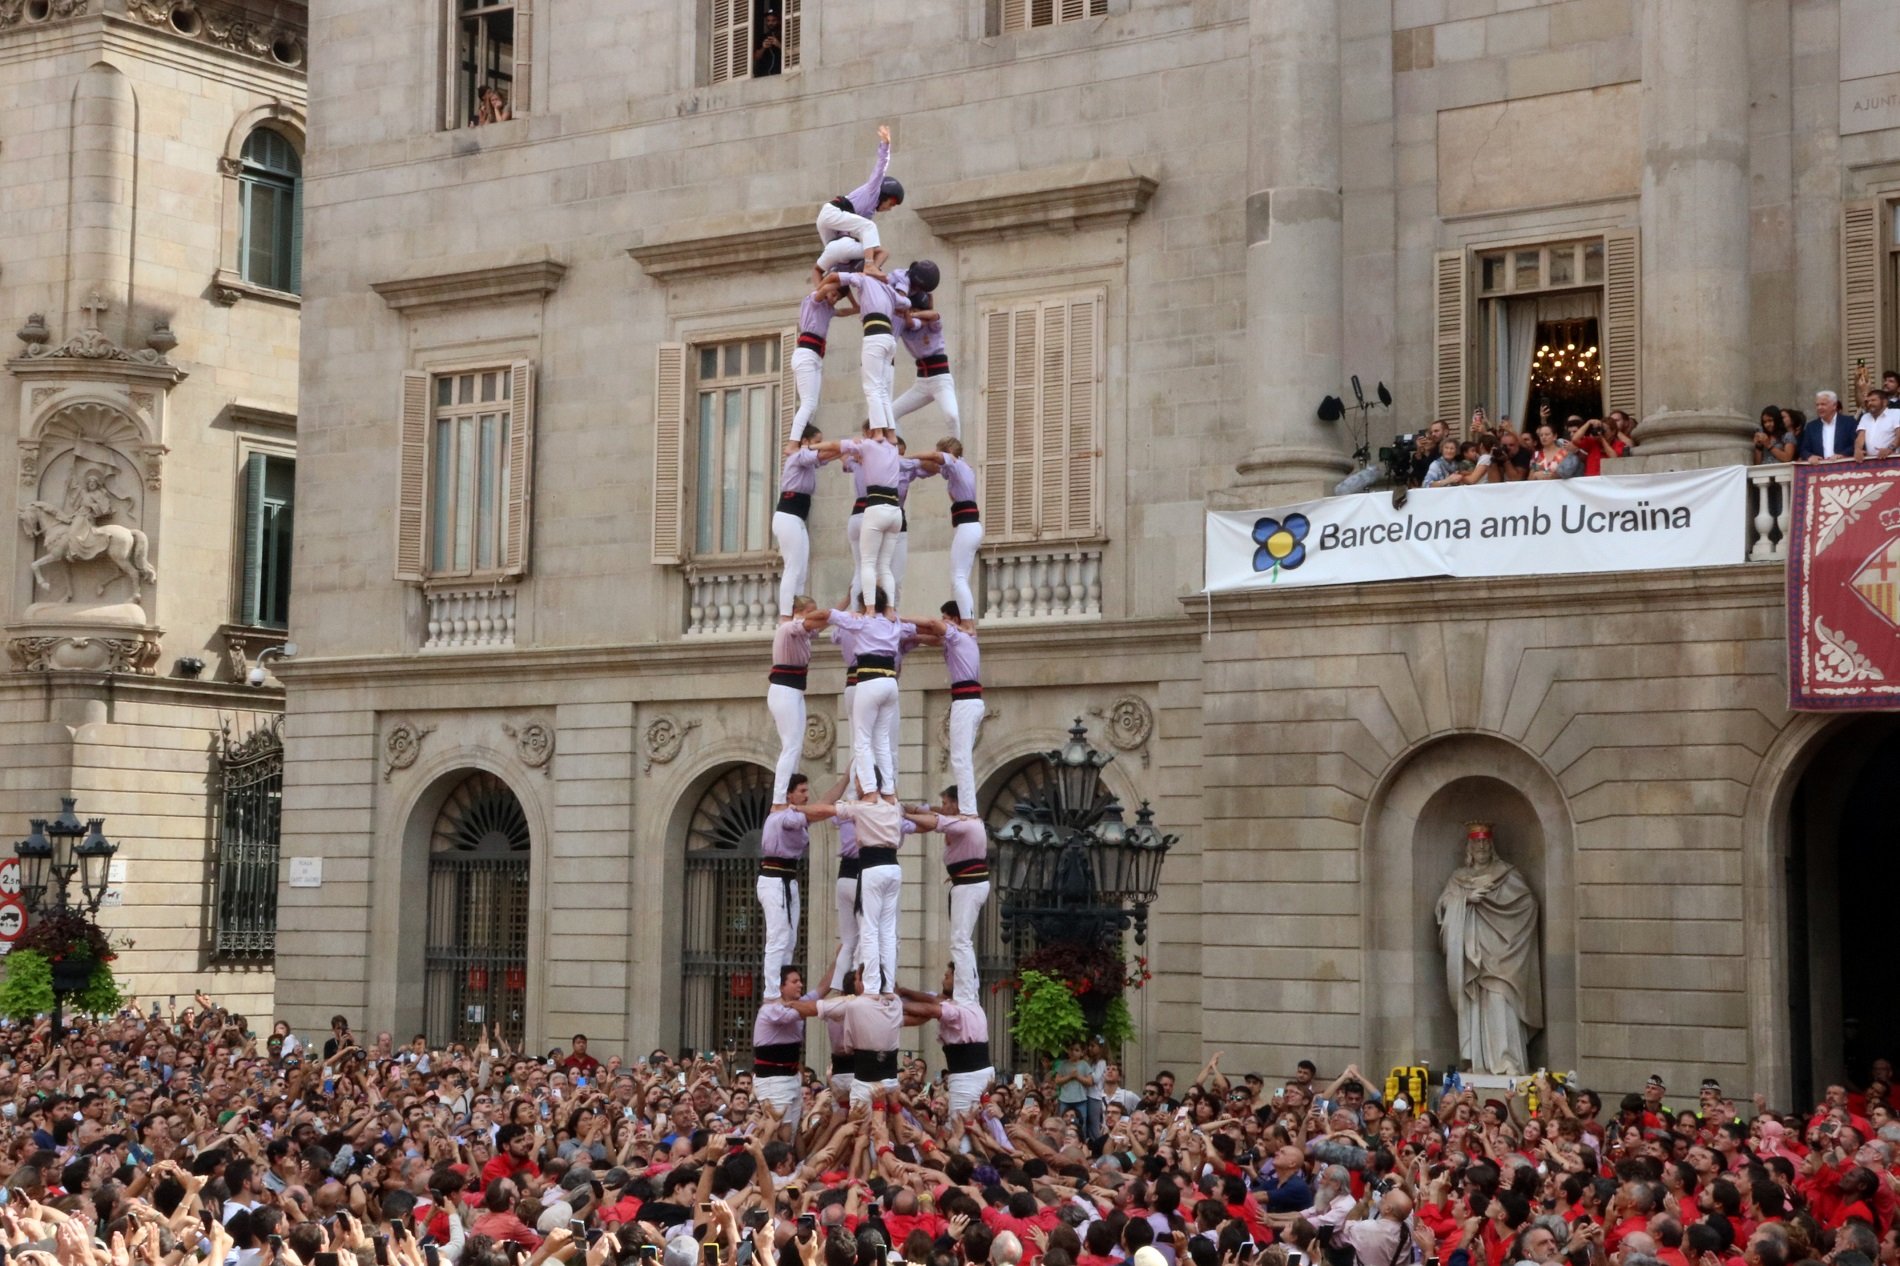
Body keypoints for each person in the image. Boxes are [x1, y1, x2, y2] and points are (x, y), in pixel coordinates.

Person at [807, 593, 915, 798]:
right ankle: (889, 791)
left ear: (865, 604)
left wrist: (805, 620)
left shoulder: (860, 622)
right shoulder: (895, 623)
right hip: (891, 683)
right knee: (882, 740)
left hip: (868, 681)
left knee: (862, 739)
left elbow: (827, 615)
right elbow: (915, 629)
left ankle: (870, 789)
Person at [904, 782, 989, 1003]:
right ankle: (968, 987)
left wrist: (904, 815)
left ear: (957, 805)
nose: (942, 807)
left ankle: (967, 990)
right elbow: (937, 812)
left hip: (969, 886)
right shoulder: (960, 820)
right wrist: (916, 808)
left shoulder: (965, 823)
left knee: (960, 941)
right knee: (961, 940)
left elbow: (936, 821)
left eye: (945, 803)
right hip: (965, 884)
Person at [757, 774, 839, 985]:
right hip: (774, 879)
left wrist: (845, 780)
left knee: (789, 938)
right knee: (778, 936)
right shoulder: (784, 816)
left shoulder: (795, 814)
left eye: (806, 791)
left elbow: (820, 806)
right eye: (801, 791)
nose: (806, 795)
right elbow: (820, 811)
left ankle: (783, 983)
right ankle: (773, 989)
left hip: (788, 879)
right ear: (788, 795)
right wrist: (845, 809)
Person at [897, 963, 994, 1118]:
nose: (943, 980)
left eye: (947, 976)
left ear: (959, 980)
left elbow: (931, 1008)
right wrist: (904, 993)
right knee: (976, 1119)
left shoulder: (958, 1008)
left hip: (968, 1075)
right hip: (971, 1072)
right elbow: (932, 999)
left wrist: (893, 1007)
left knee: (962, 1123)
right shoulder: (964, 1003)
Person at [814, 124, 900, 277]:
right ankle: (869, 266)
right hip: (832, 212)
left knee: (840, 255)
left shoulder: (867, 214)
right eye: (891, 204)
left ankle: (826, 285)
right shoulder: (873, 190)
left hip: (830, 223)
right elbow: (880, 168)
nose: (889, 208)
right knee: (869, 227)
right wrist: (885, 145)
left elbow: (861, 237)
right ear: (885, 195)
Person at [889, 277, 957, 439]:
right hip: (922, 383)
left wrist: (915, 313)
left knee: (952, 416)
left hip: (941, 380)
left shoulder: (933, 325)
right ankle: (897, 449)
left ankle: (956, 458)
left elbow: (935, 315)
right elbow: (909, 323)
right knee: (890, 413)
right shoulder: (907, 327)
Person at [751, 966, 816, 1130]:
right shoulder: (770, 1010)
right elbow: (812, 1009)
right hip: (774, 1080)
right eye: (795, 981)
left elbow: (822, 989)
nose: (800, 985)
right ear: (780, 987)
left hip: (792, 1078)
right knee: (779, 1132)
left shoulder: (798, 1005)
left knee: (792, 1134)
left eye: (800, 980)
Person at [767, 598, 817, 803]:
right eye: (811, 612)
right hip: (784, 690)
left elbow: (821, 624)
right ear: (799, 611)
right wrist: (834, 615)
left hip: (795, 690)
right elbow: (815, 623)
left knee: (796, 744)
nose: (814, 616)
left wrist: (844, 604)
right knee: (790, 745)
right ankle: (780, 798)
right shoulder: (789, 628)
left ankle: (791, 792)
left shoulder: (803, 633)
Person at [1800, 391, 1857, 461]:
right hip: (1820, 469)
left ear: (1834, 406)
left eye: (1823, 404)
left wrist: (1843, 455)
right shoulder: (1811, 427)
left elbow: (1856, 445)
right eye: (1817, 405)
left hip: (1844, 467)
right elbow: (1804, 450)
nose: (1819, 407)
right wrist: (1810, 456)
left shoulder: (1849, 422)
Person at [1855, 387, 1899, 460]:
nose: (1869, 403)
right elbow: (1860, 437)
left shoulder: (1896, 413)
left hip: (1892, 459)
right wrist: (1857, 449)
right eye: (1868, 401)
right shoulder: (1865, 417)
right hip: (1871, 461)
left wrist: (1889, 449)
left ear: (1885, 402)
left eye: (1873, 400)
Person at [752, 8, 784, 77]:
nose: (770, 23)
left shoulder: (785, 34)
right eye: (768, 21)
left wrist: (779, 44)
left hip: (780, 73)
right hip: (763, 74)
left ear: (779, 21)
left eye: (773, 20)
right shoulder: (763, 37)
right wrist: (764, 47)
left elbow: (791, 53)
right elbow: (756, 57)